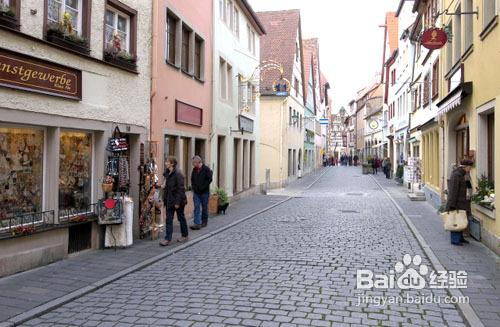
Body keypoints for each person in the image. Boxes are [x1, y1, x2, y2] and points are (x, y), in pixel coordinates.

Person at [160, 156, 188, 246]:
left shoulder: (178, 174)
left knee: (181, 218)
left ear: (172, 163)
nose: (165, 163)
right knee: (168, 219)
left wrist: (177, 202)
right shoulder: (168, 173)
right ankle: (167, 239)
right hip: (169, 200)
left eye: (167, 162)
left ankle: (184, 235)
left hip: (178, 201)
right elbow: (165, 186)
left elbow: (181, 189)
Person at [446, 159, 474, 246]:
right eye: (470, 167)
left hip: (463, 202)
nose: (470, 169)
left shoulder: (463, 175)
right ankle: (455, 240)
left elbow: (468, 187)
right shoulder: (456, 175)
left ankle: (460, 238)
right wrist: (452, 205)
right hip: (457, 203)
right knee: (456, 220)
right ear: (465, 167)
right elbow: (453, 191)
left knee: (461, 220)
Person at [190, 155, 213, 230]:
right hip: (196, 193)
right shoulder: (194, 170)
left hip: (204, 192)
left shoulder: (206, 169)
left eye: (193, 163)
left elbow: (209, 179)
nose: (193, 164)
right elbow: (192, 180)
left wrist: (203, 187)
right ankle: (197, 223)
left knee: (204, 207)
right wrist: (194, 188)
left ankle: (204, 221)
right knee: (196, 207)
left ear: (197, 162)